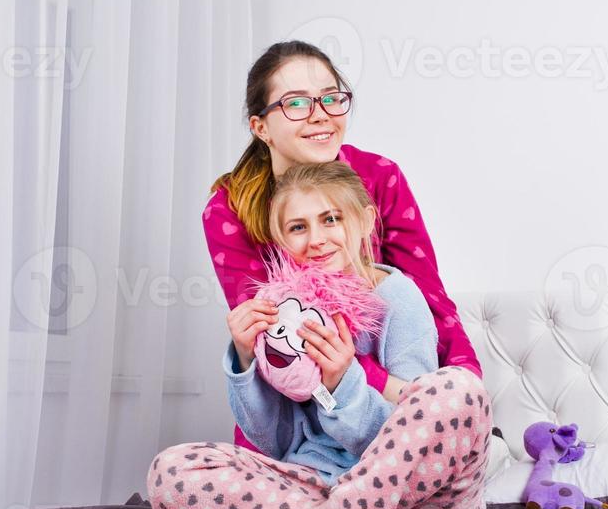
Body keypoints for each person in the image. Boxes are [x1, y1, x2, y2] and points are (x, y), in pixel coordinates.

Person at [146, 161, 492, 509]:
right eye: (298, 227)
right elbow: (273, 443)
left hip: (416, 499)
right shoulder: (285, 309)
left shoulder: (399, 299)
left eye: (331, 219)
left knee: (458, 388)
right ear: (280, 239)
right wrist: (244, 361)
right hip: (315, 483)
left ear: (364, 222)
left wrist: (341, 383)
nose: (316, 240)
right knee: (170, 472)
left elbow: (412, 442)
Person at [202, 39, 482, 454]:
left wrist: (466, 394)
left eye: (331, 98)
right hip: (295, 424)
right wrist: (395, 387)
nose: (321, 116)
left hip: (389, 416)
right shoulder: (230, 208)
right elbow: (283, 339)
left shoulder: (380, 177)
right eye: (296, 104)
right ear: (261, 127)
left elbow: (431, 298)